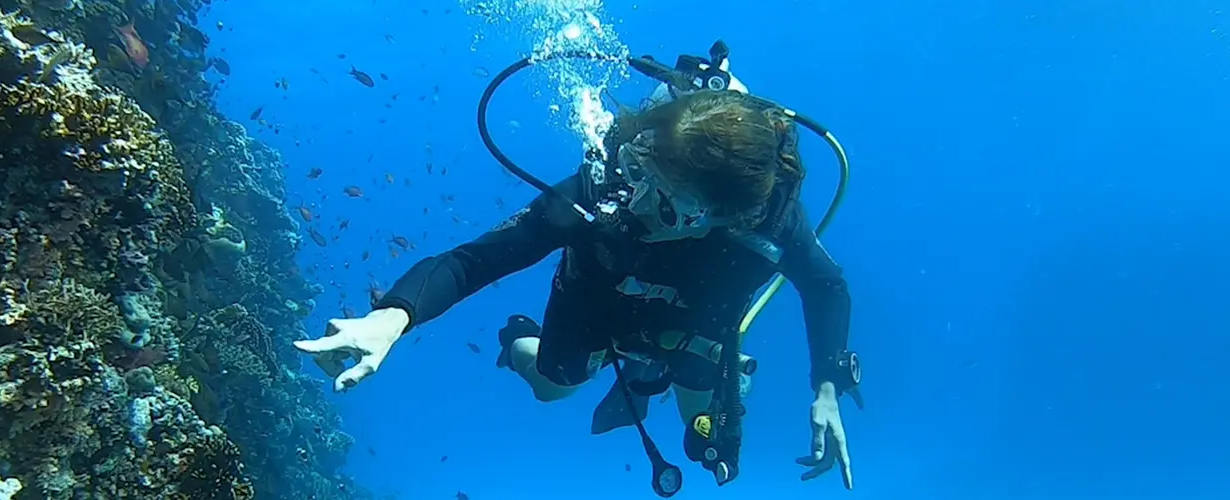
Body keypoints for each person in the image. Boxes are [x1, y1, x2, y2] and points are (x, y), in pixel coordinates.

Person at [293, 63, 858, 491]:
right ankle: (519, 339)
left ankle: (670, 372)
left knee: (705, 424)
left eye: (664, 200)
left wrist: (828, 384)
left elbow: (826, 285)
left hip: (698, 322)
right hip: (599, 301)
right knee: (552, 388)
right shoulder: (601, 193)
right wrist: (392, 317)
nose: (636, 201)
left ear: (713, 217)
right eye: (639, 169)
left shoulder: (768, 225)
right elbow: (474, 260)